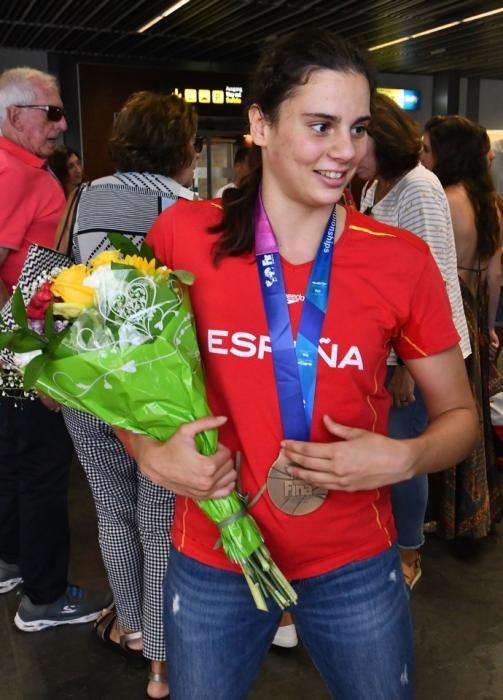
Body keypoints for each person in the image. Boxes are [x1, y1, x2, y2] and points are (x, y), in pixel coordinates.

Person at [128, 31, 477, 700]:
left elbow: (459, 418)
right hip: (213, 553)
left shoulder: (397, 259)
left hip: (352, 560)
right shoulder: (181, 238)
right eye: (320, 126)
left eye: (356, 128)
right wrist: (146, 451)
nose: (345, 150)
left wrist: (402, 458)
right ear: (259, 125)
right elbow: (121, 373)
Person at [58, 90, 199, 700]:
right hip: (161, 387)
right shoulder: (191, 207)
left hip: (87, 376)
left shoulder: (83, 196)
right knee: (160, 514)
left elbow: (58, 284)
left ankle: (134, 627)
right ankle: (163, 660)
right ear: (183, 147)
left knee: (111, 506)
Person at [0, 67, 112, 630]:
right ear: (16, 115)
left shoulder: (20, 168)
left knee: (15, 461)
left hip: (14, 345)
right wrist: (23, 356)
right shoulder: (15, 173)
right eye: (52, 113)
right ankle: (43, 597)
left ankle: (12, 561)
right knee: (42, 467)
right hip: (23, 347)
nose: (62, 125)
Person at [356, 92, 470, 588]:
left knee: (406, 452)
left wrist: (408, 363)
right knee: (385, 449)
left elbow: (435, 277)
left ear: (378, 139)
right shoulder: (373, 186)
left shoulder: (418, 187)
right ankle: (386, 541)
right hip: (385, 346)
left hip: (421, 351)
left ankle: (408, 550)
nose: (346, 151)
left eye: (357, 136)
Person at [422, 115, 503, 543]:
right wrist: (490, 329)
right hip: (476, 313)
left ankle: (442, 514)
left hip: (448, 315)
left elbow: (435, 271)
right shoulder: (491, 203)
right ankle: (477, 512)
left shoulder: (444, 198)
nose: (424, 156)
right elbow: (494, 276)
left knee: (445, 412)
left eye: (429, 148)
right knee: (472, 416)